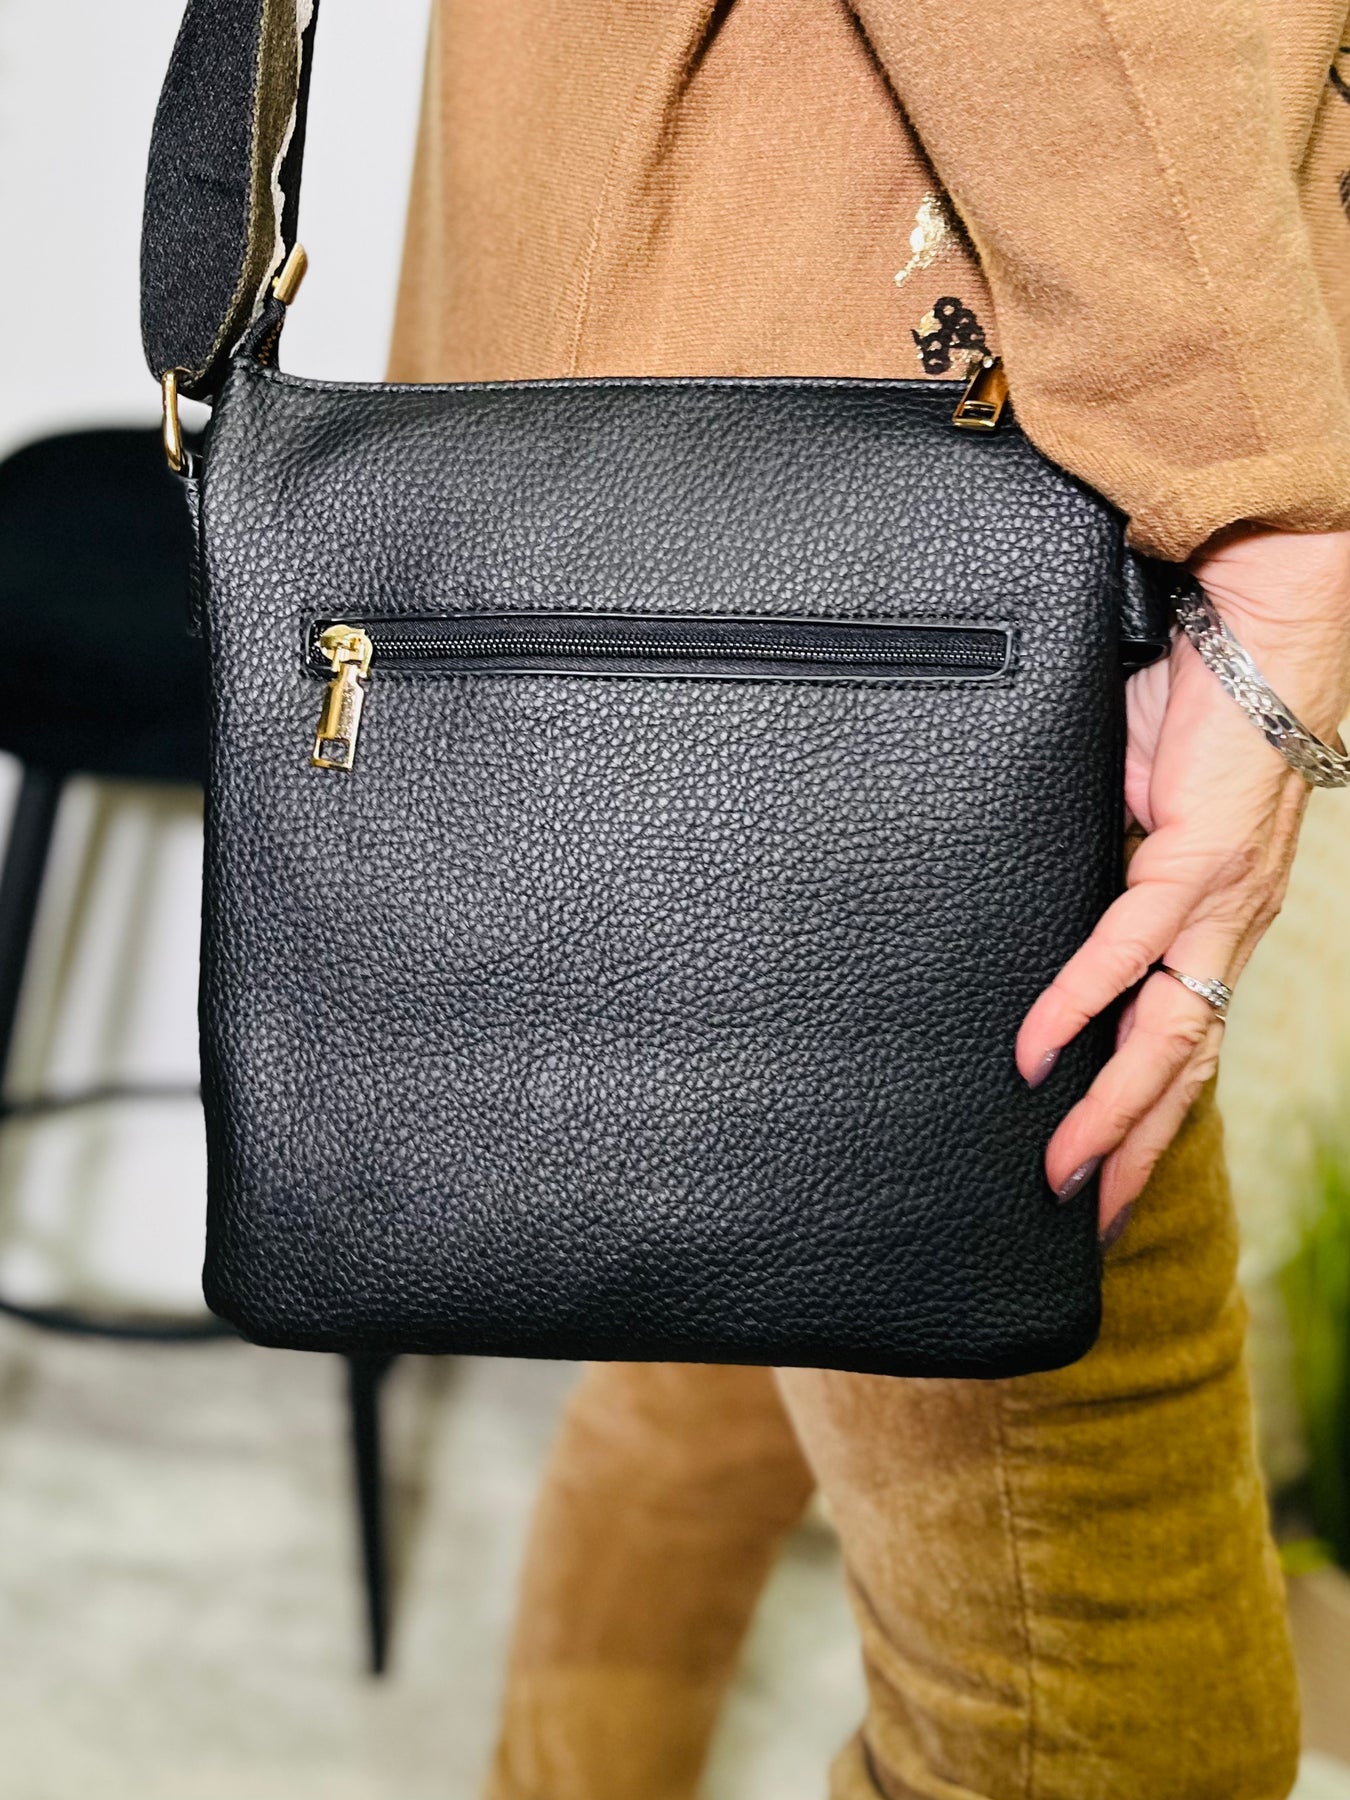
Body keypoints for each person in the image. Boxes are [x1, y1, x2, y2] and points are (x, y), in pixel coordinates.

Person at [389, 3, 1350, 1793]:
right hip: (947, 462)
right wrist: (1265, 522)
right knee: (1111, 1723)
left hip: (652, 365)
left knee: (726, 1331)